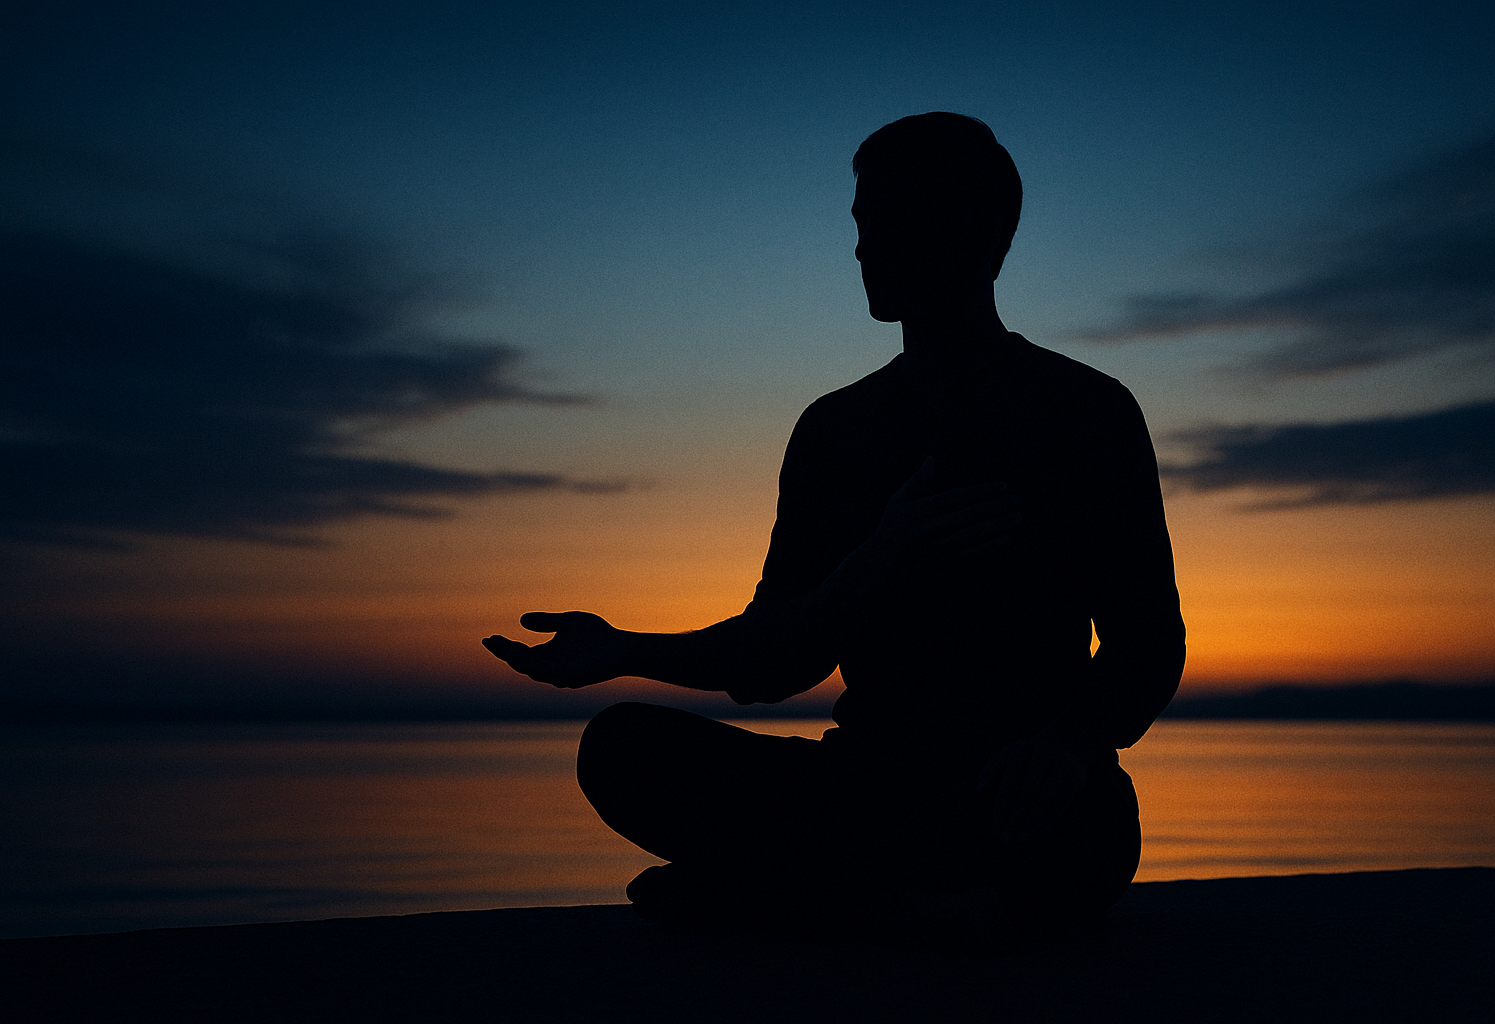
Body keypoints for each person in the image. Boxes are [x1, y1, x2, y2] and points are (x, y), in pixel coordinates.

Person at [484, 112, 1185, 952]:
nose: (862, 248)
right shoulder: (835, 431)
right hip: (863, 784)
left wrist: (1066, 746)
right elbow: (772, 663)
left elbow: (1150, 640)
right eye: (860, 222)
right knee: (620, 748)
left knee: (1087, 826)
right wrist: (629, 647)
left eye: (889, 220)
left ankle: (801, 891)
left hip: (1017, 786)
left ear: (975, 233)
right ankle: (872, 893)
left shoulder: (1085, 412)